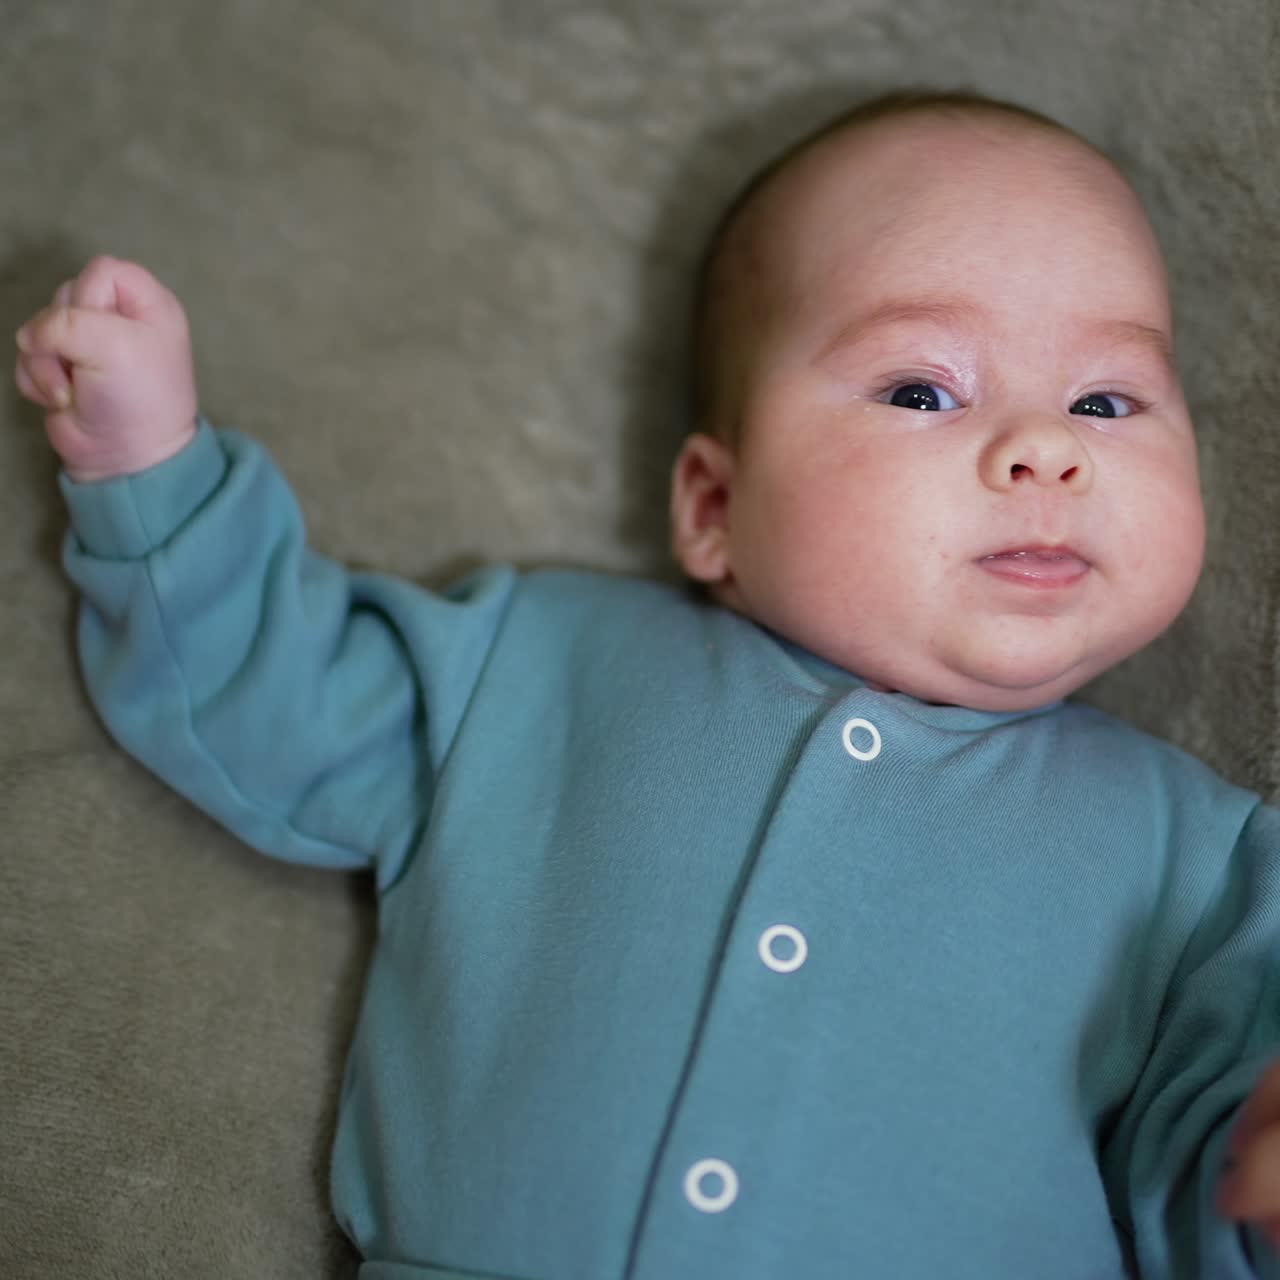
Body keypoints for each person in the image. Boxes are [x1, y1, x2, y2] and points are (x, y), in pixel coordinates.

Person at [14, 89, 1280, 1278]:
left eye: (1107, 400)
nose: (1046, 449)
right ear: (713, 506)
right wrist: (154, 469)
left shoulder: (1202, 863)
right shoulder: (536, 662)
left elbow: (1208, 1192)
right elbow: (267, 697)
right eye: (919, 387)